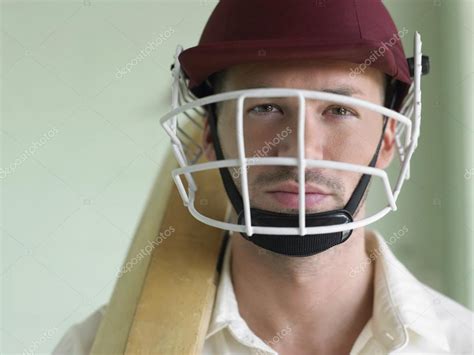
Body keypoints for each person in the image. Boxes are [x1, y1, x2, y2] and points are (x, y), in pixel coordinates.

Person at [54, 1, 473, 354]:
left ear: (387, 141)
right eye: (265, 107)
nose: (301, 151)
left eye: (339, 111)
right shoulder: (96, 346)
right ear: (210, 137)